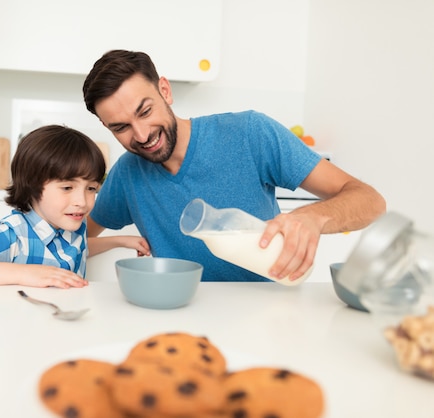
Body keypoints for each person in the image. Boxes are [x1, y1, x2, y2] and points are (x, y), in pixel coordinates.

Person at [82, 49, 386, 283]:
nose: (142, 135)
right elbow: (77, 236)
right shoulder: (127, 174)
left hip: (270, 311)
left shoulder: (250, 133)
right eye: (121, 127)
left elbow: (370, 200)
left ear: (165, 90)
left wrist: (312, 218)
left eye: (145, 111)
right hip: (183, 317)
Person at [0, 124, 150, 288]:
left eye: (91, 188)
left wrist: (121, 241)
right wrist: (25, 273)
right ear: (33, 185)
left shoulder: (71, 227)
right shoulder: (13, 235)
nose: (82, 201)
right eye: (67, 188)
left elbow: (78, 247)